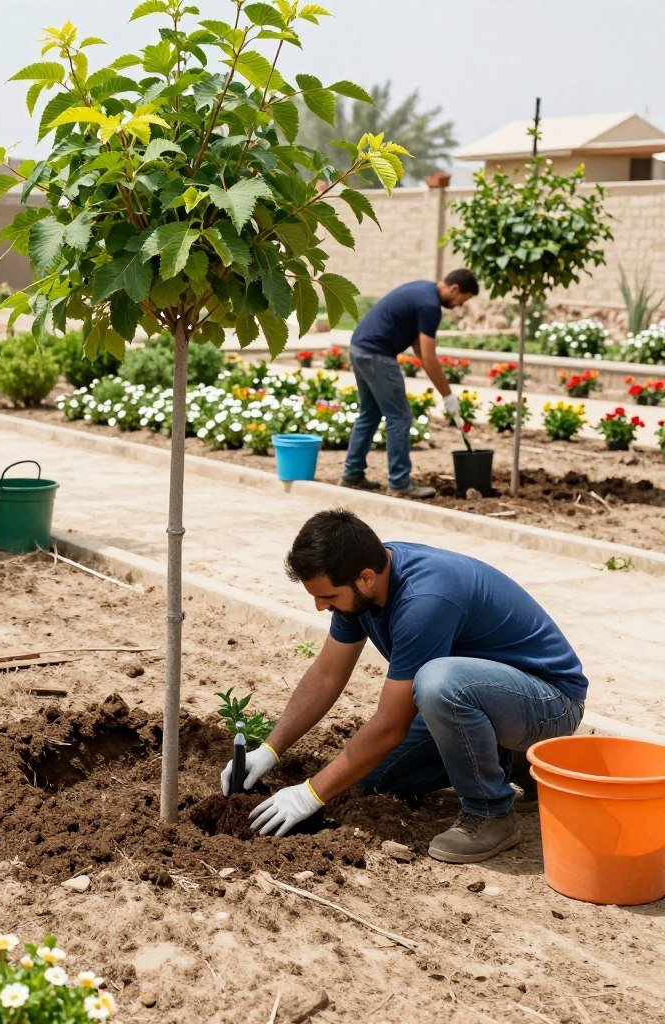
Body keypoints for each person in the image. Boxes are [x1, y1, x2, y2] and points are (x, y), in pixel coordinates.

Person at [221, 509, 587, 864]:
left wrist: (310, 795)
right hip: (486, 700)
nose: (320, 607)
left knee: (437, 681)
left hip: (549, 702)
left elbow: (391, 724)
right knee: (373, 776)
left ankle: (489, 813)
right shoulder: (362, 584)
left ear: (365, 578)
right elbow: (327, 674)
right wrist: (271, 748)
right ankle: (510, 760)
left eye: (327, 597)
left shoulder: (423, 600)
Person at [341, 269, 479, 500]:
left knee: (370, 413)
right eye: (460, 300)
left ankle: (352, 475)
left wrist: (436, 379)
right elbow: (428, 358)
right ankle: (399, 482)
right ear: (455, 289)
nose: (458, 305)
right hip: (377, 354)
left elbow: (418, 345)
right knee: (400, 417)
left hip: (359, 348)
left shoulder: (423, 290)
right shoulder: (430, 307)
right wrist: (447, 395)